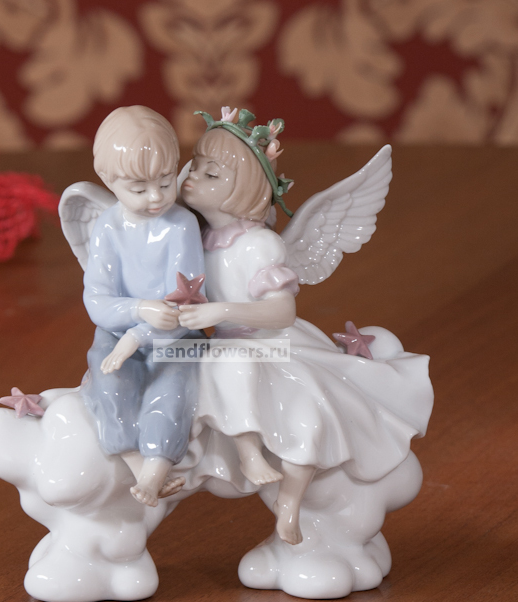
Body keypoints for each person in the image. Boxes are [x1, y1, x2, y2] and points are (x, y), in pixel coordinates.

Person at [178, 111, 432, 544]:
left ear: (242, 189)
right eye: (195, 166)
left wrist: (219, 312)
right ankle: (199, 465)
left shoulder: (259, 245)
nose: (193, 177)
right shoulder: (198, 240)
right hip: (228, 348)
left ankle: (290, 504)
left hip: (272, 343)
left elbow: (281, 312)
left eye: (211, 173)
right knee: (204, 380)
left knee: (306, 418)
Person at [81, 106, 205, 507]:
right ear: (108, 181)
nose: (156, 197)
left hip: (177, 332)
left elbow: (186, 299)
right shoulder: (108, 227)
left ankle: (155, 473)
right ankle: (140, 470)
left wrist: (140, 335)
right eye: (138, 189)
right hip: (116, 330)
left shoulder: (181, 225)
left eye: (166, 182)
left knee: (172, 387)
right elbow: (97, 299)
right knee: (110, 382)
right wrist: (138, 311)